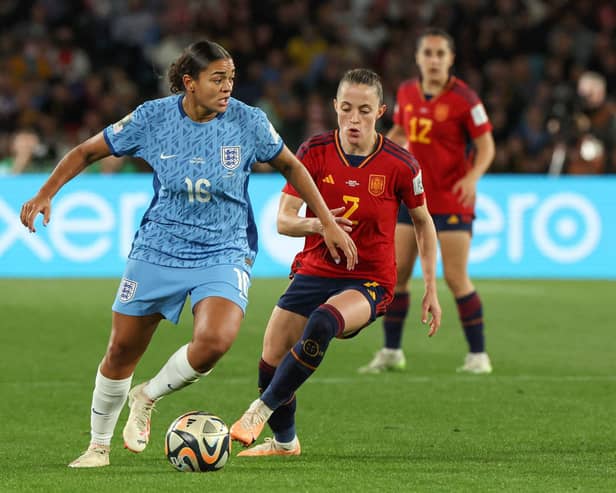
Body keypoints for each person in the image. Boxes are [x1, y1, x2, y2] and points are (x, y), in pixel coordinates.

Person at [19, 40, 357, 468]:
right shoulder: (152, 117)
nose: (227, 87)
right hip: (159, 245)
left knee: (215, 341)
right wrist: (45, 193)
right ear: (189, 83)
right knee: (122, 350)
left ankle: (147, 396)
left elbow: (292, 166)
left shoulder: (248, 122)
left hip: (224, 248)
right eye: (217, 79)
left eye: (231, 78)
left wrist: (325, 219)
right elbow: (87, 150)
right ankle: (97, 447)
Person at [228, 68, 441, 456]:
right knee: (270, 361)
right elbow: (283, 219)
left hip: (370, 278)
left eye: (363, 110)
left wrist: (430, 286)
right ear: (334, 108)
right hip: (315, 269)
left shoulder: (400, 164)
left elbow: (424, 222)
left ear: (380, 111)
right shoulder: (314, 151)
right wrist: (320, 225)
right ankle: (284, 443)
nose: (353, 119)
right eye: (346, 109)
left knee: (324, 321)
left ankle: (260, 411)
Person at [358, 28, 495, 375]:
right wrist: (377, 153)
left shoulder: (466, 99)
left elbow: (486, 146)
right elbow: (402, 132)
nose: (434, 60)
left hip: (450, 200)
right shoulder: (406, 91)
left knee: (454, 277)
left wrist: (472, 177)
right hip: (412, 196)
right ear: (418, 58)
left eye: (440, 54)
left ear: (450, 59)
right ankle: (391, 351)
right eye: (428, 54)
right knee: (397, 274)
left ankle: (478, 355)